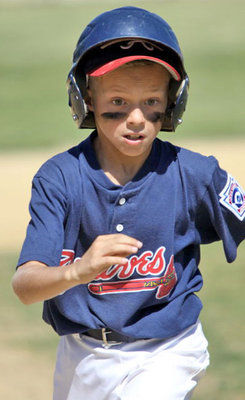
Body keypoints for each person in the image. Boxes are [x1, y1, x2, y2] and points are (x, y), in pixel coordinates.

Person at [12, 6, 245, 400]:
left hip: (169, 351)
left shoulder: (195, 174)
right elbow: (25, 286)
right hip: (81, 355)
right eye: (118, 100)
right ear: (86, 96)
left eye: (151, 100)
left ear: (173, 101)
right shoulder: (60, 178)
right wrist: (78, 270)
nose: (136, 117)